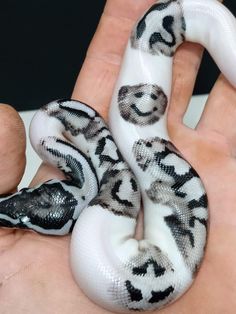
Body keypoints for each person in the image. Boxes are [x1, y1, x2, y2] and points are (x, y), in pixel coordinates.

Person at [0, 0, 236, 313]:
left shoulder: (56, 131)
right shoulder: (56, 132)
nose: (16, 217)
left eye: (25, 220)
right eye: (25, 220)